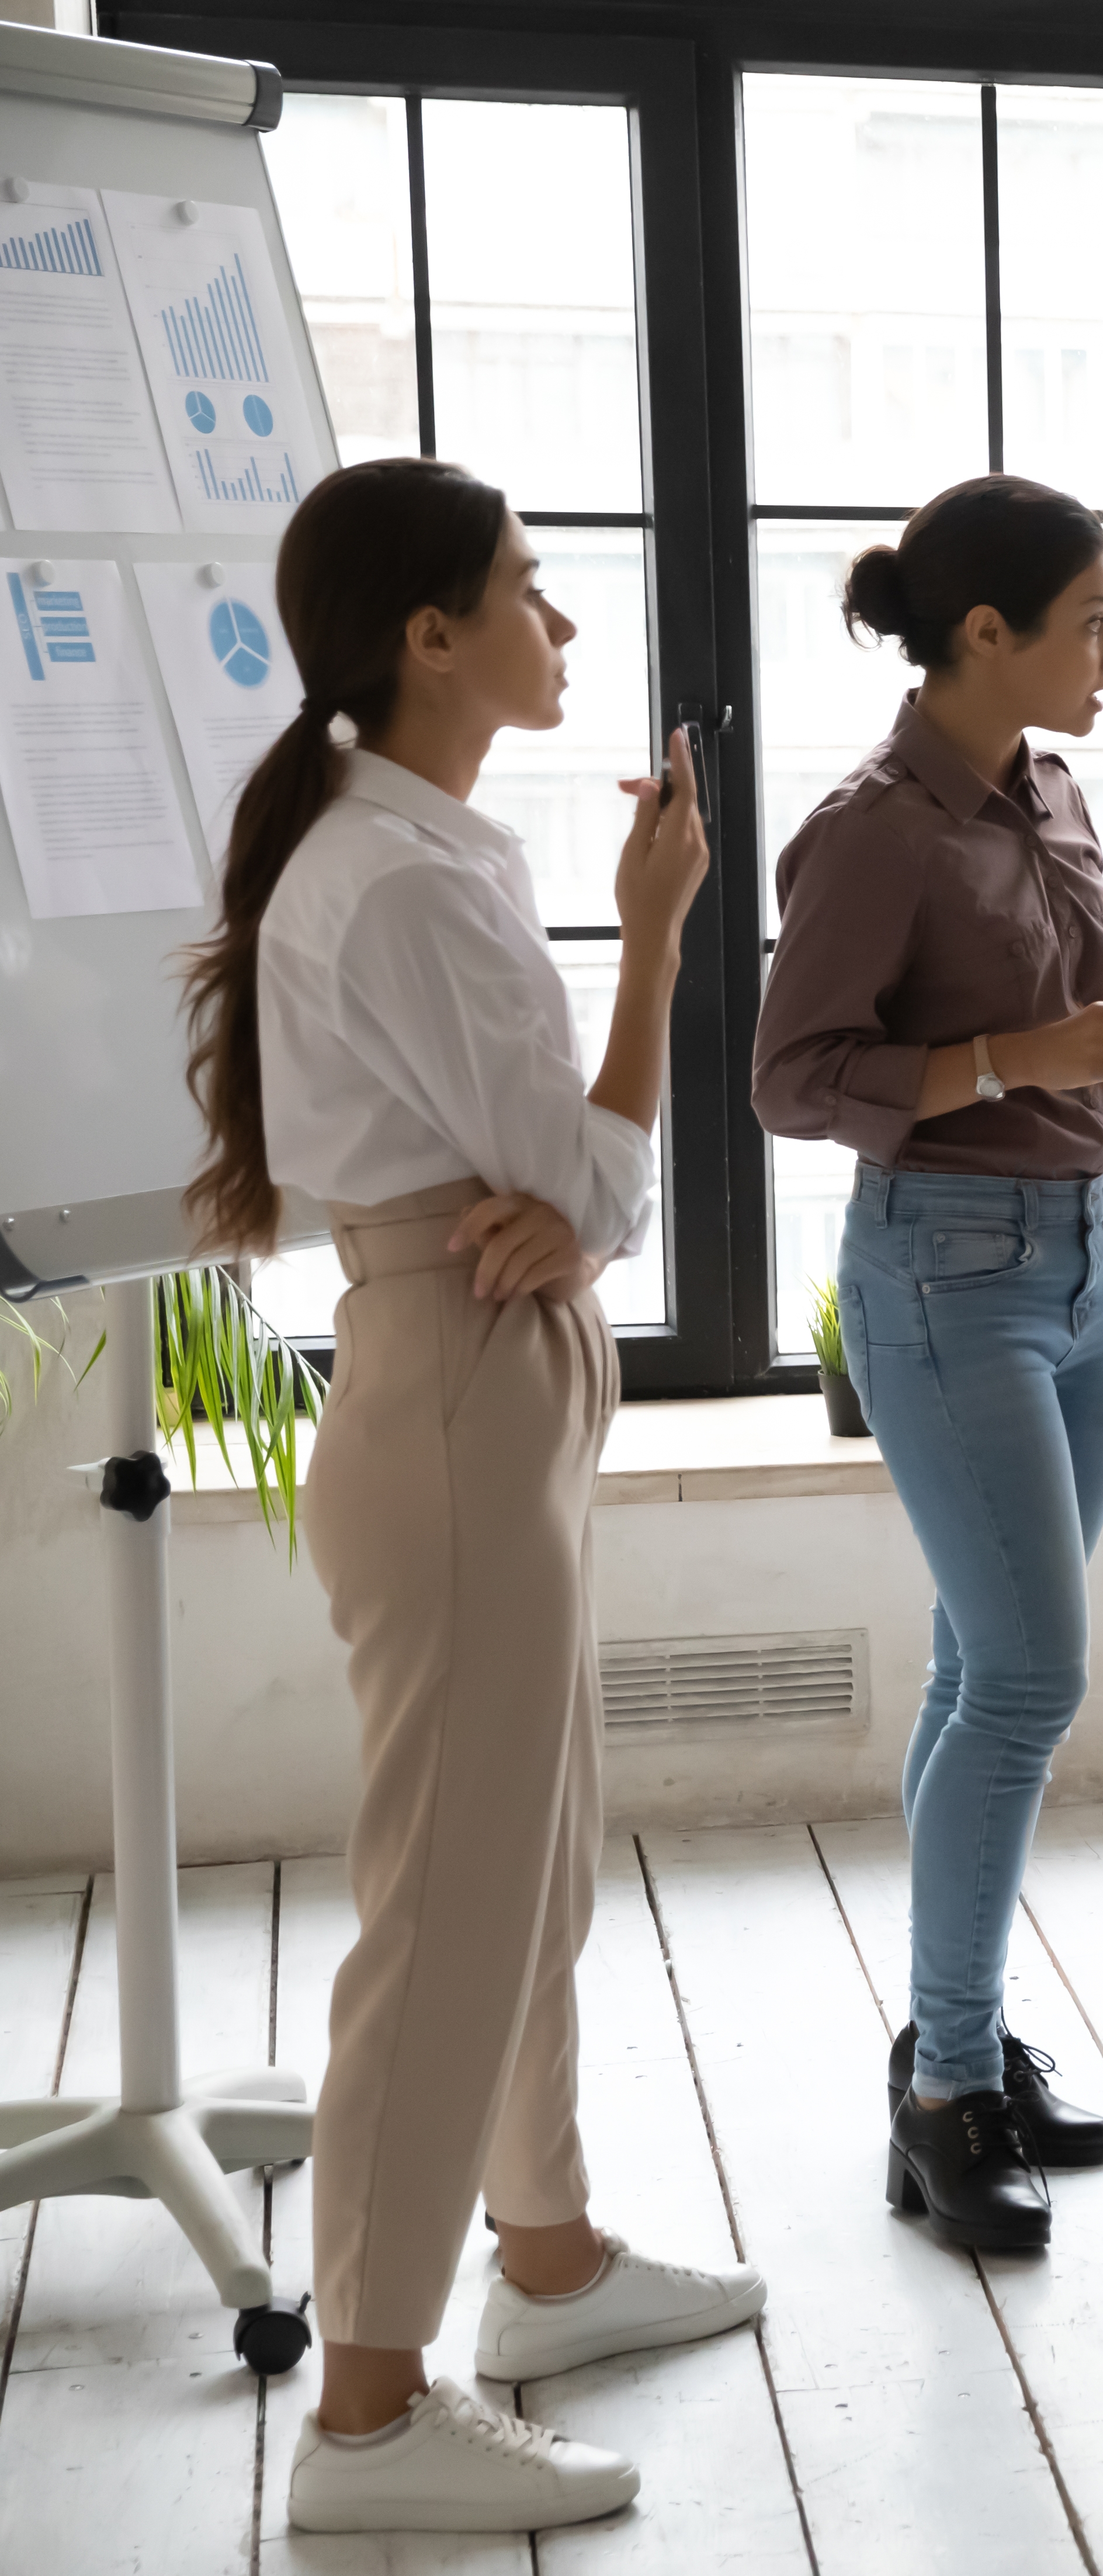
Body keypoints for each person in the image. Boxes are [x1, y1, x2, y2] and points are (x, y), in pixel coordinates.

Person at [179, 457, 764, 2533]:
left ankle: (546, 2258)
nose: (562, 623)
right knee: (447, 1909)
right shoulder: (412, 876)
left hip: (484, 1376)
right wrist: (659, 942)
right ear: (429, 635)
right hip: (452, 1390)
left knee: (524, 1861)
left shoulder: (407, 837)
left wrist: (568, 1219)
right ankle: (364, 2415)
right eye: (528, 589)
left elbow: (566, 1197)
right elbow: (595, 1183)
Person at [750, 475, 1103, 2253]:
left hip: (1081, 1260)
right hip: (944, 1275)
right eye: (1092, 619)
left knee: (976, 1667)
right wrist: (1022, 1052)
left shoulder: (1046, 789)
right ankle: (942, 2102)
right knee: (1026, 1681)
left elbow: (1046, 1024)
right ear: (982, 633)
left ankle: (960, 2040)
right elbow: (793, 1080)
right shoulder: (869, 828)